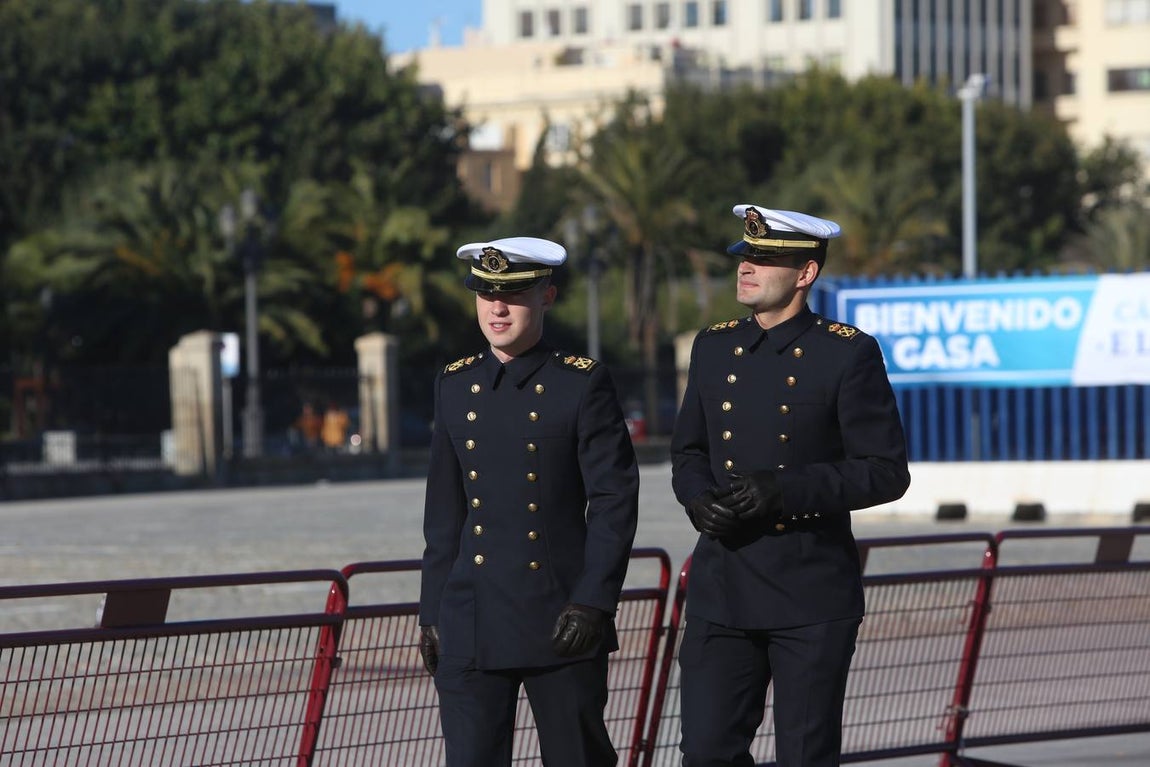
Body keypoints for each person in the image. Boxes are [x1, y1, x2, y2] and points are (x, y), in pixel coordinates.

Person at [670, 205, 911, 767]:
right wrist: (698, 498)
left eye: (766, 259)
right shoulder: (713, 347)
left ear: (805, 274)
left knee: (804, 753)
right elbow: (688, 451)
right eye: (745, 256)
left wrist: (784, 490)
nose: (747, 268)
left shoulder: (846, 352)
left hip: (809, 590)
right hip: (722, 584)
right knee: (706, 751)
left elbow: (885, 470)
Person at [418, 236, 640, 767]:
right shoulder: (455, 385)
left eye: (513, 295)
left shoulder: (581, 385)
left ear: (547, 296)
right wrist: (431, 610)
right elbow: (444, 515)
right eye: (486, 293)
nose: (497, 308)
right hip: (470, 615)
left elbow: (614, 500)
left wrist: (593, 601)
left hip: (559, 616)